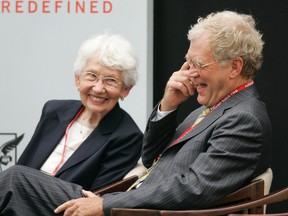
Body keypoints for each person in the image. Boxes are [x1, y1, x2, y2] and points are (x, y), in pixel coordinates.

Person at [0, 10, 271, 216]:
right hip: (127, 204)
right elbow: (151, 157)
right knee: (17, 181)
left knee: (16, 180)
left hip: (131, 210)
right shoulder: (213, 108)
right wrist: (168, 106)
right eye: (188, 61)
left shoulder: (243, 118)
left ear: (234, 67)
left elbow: (194, 188)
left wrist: (104, 204)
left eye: (197, 63)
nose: (187, 72)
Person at [16, 33, 143, 191]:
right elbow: (25, 164)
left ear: (125, 90)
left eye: (110, 80)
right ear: (78, 79)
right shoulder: (53, 111)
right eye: (91, 76)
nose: (98, 88)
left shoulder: (127, 136)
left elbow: (96, 198)